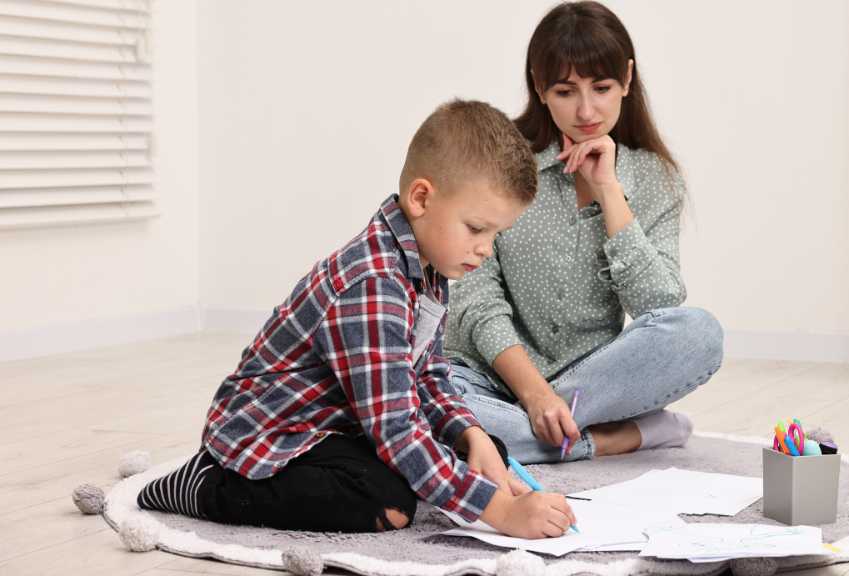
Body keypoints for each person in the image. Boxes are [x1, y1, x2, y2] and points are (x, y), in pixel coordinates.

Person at [136, 99, 577, 539]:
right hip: (273, 437)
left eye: (496, 234)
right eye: (477, 229)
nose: (485, 248)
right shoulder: (372, 283)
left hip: (340, 425)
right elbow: (397, 429)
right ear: (421, 198)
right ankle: (208, 487)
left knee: (483, 451)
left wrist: (471, 435)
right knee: (387, 502)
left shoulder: (431, 267)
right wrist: (501, 512)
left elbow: (427, 375)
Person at [444, 2, 724, 464]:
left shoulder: (654, 178)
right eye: (565, 91)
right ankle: (608, 438)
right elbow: (475, 300)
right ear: (539, 87)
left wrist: (609, 191)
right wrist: (534, 395)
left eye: (602, 87)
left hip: (587, 387)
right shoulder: (499, 164)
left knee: (701, 333)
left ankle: (532, 430)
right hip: (485, 377)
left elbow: (658, 306)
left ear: (627, 79)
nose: (586, 110)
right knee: (426, 403)